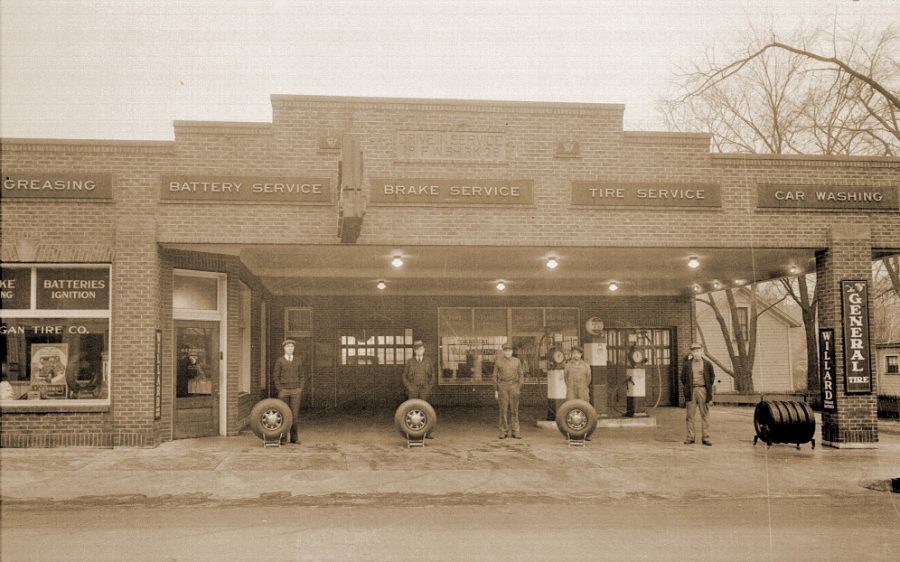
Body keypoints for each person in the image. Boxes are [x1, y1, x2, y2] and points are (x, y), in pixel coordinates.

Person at [273, 339, 308, 444]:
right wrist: (280, 390)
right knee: (284, 414)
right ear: (284, 348)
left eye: (292, 347)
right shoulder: (280, 361)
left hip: (295, 391)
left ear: (294, 348)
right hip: (284, 391)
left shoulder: (298, 360)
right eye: (288, 346)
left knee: (294, 415)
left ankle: (294, 438)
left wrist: (299, 389)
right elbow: (276, 376)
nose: (290, 348)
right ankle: (283, 438)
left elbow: (302, 375)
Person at [681, 342, 715, 446]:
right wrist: (689, 387)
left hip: (703, 390)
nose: (696, 353)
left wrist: (705, 387)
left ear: (701, 351)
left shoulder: (707, 364)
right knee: (690, 416)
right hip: (691, 391)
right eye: (694, 351)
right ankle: (690, 437)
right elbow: (683, 378)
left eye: (698, 351)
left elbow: (712, 377)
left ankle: (706, 438)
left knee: (705, 414)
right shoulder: (687, 365)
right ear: (691, 352)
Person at [401, 339, 436, 438]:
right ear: (414, 351)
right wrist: (409, 387)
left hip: (424, 389)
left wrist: (429, 387)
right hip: (413, 390)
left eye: (421, 349)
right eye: (417, 349)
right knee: (411, 411)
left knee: (426, 411)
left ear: (424, 350)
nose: (419, 351)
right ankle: (411, 432)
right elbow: (404, 376)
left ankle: (427, 433)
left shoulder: (429, 361)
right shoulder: (410, 362)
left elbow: (433, 375)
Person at [492, 342, 525, 439]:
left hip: (514, 386)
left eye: (509, 350)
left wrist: (519, 386)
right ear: (503, 351)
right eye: (505, 351)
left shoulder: (517, 361)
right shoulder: (498, 361)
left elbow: (521, 374)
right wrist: (496, 390)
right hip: (503, 386)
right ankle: (503, 431)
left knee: (514, 410)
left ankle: (516, 431)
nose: (507, 352)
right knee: (503, 410)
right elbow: (494, 376)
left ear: (512, 351)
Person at [563, 344, 593, 441]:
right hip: (571, 391)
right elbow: (565, 378)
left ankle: (586, 433)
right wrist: (571, 386)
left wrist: (582, 387)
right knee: (569, 411)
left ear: (581, 355)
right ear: (572, 354)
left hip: (583, 392)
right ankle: (569, 433)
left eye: (578, 353)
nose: (576, 355)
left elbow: (589, 379)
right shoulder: (568, 365)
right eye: (574, 353)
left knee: (585, 411)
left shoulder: (586, 366)